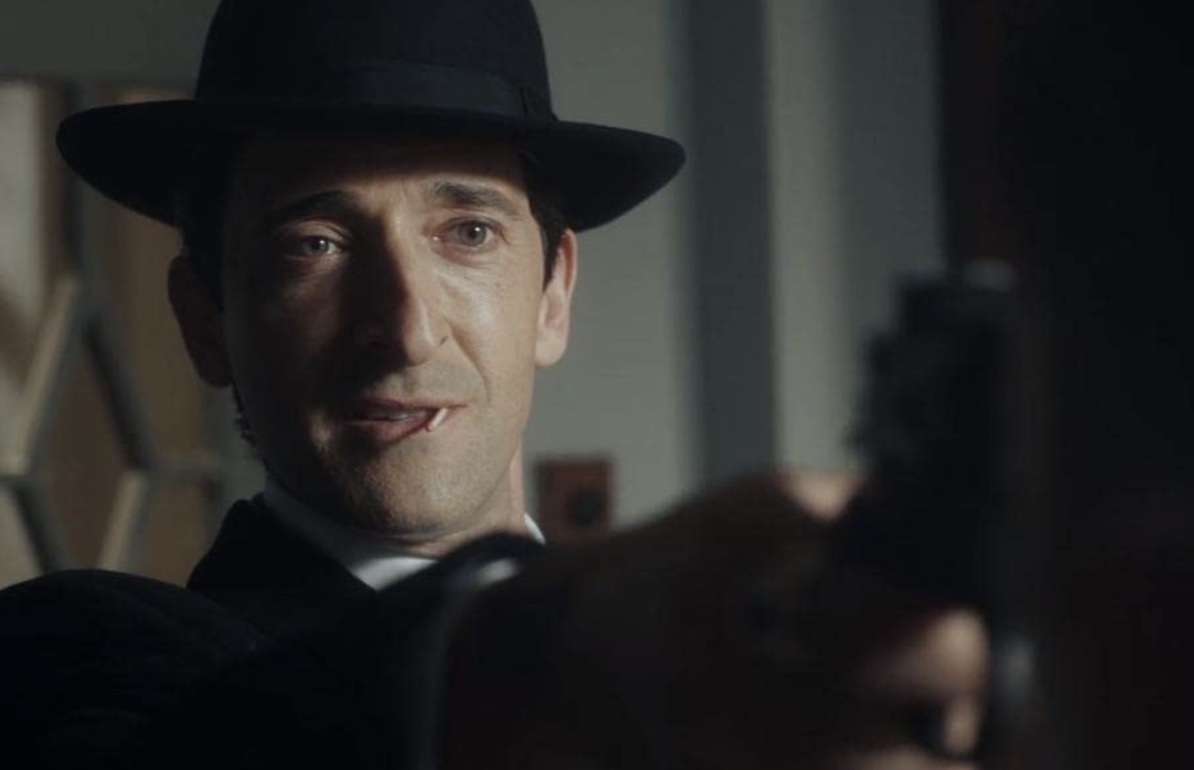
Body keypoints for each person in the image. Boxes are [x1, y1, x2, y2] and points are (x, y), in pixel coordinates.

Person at [0, 1, 987, 768]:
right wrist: (561, 640)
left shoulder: (757, 682)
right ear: (205, 317)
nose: (405, 325)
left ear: (554, 294)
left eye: (467, 232)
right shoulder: (97, 665)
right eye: (315, 242)